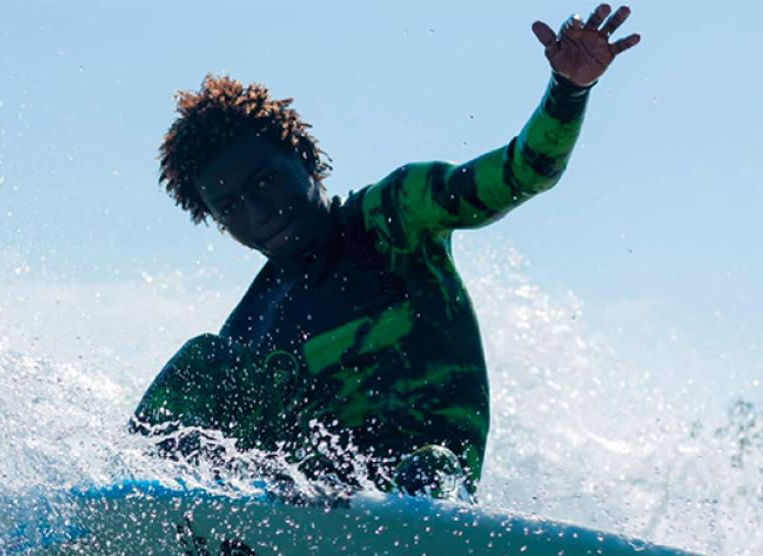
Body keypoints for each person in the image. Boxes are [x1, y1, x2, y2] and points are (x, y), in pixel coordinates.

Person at [131, 5, 641, 497]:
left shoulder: (394, 216)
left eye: (266, 180)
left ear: (304, 157)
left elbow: (520, 173)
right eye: (230, 206)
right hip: (315, 519)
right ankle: (143, 520)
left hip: (426, 498)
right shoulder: (251, 326)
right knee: (203, 361)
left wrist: (568, 92)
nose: (257, 211)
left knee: (425, 471)